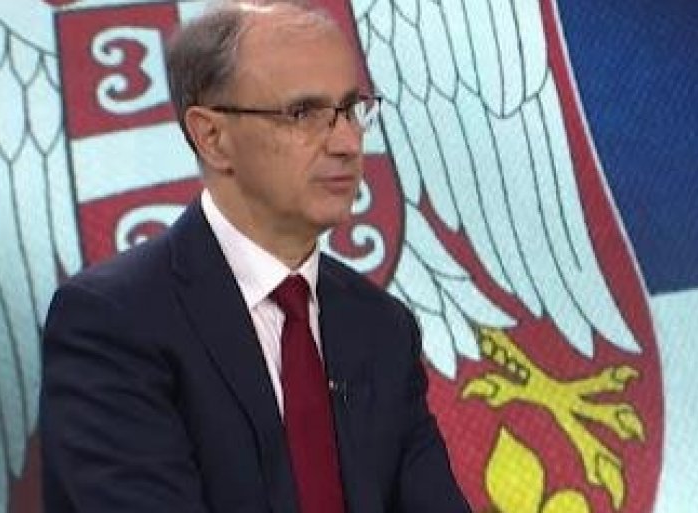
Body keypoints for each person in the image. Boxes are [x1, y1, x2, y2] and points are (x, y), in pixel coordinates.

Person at [39, 1, 471, 512]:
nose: (347, 143)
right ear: (212, 137)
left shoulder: (380, 327)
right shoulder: (114, 322)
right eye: (304, 113)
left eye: (351, 109)